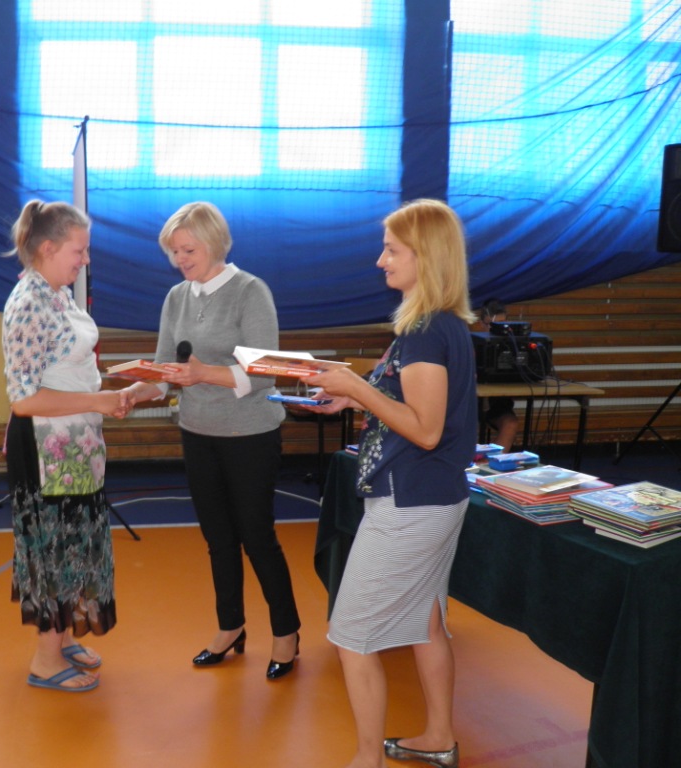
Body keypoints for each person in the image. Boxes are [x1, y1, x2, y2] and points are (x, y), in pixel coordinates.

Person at [302, 199, 476, 768]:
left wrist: (356, 386)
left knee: (351, 636)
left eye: (392, 250)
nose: (381, 261)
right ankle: (440, 737)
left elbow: (425, 429)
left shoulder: (425, 331)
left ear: (426, 256)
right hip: (435, 496)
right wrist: (352, 396)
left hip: (411, 502)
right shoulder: (437, 325)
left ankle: (366, 758)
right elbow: (408, 407)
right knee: (427, 623)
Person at [121, 201, 301, 680]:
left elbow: (264, 373)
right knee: (218, 539)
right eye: (174, 251)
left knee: (257, 538)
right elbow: (166, 370)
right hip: (197, 434)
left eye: (189, 249)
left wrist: (204, 374)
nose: (180, 259)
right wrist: (134, 391)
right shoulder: (176, 297)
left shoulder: (250, 291)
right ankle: (230, 626)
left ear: (215, 244)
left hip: (250, 434)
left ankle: (286, 633)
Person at [1, 199, 131, 693]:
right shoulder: (28, 304)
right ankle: (45, 659)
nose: (86, 259)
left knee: (76, 543)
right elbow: (24, 400)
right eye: (79, 251)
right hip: (45, 449)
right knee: (54, 551)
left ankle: (62, 636)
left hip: (75, 443)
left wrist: (115, 391)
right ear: (49, 248)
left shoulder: (57, 294)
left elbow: (69, 368)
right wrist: (98, 400)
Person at [476, 298, 519, 451]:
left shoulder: (513, 347)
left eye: (500, 324)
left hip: (498, 405)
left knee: (510, 424)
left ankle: (492, 463)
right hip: (471, 405)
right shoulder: (472, 345)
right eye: (490, 325)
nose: (494, 329)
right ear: (481, 324)